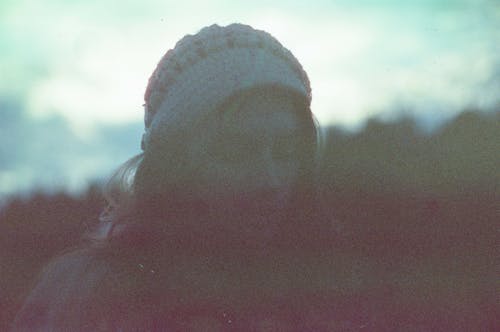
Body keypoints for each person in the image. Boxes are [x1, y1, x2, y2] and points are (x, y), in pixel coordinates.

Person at [12, 23, 335, 331]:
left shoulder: (327, 287)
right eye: (237, 151)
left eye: (286, 151)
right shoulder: (86, 297)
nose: (270, 179)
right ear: (176, 164)